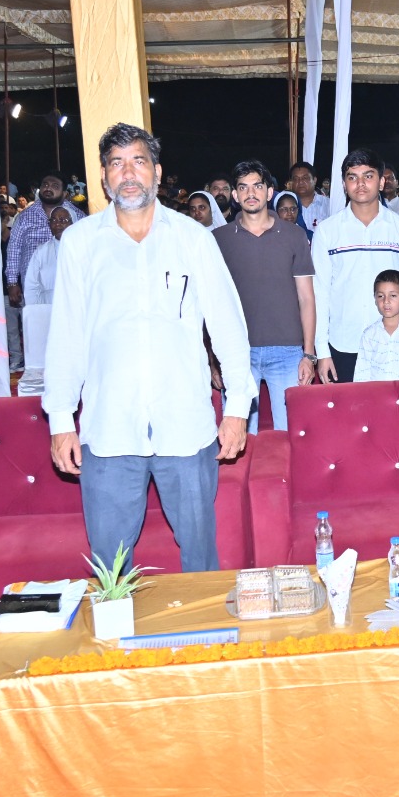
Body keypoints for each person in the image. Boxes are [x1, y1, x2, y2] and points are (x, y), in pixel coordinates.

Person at [44, 124, 252, 572]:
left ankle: (202, 625)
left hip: (186, 427)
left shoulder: (193, 238)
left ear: (156, 172)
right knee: (110, 570)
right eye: (117, 164)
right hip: (110, 430)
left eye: (138, 161)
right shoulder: (80, 243)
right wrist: (60, 420)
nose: (128, 173)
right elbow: (65, 336)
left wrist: (237, 409)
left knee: (200, 561)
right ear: (104, 177)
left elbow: (228, 327)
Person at [214, 159, 317, 432]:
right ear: (235, 195)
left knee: (289, 435)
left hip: (288, 351)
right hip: (236, 352)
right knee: (239, 438)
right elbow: (211, 304)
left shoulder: (294, 235)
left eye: (257, 186)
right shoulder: (218, 239)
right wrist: (213, 358)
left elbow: (306, 298)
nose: (251, 193)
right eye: (243, 187)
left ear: (269, 192)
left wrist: (308, 354)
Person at [312, 149, 399, 383]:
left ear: (381, 182)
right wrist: (322, 351)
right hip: (343, 343)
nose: (360, 184)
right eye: (352, 177)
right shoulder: (327, 232)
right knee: (348, 407)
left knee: (394, 408)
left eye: (368, 176)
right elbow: (320, 293)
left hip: (393, 342)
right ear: (344, 184)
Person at [5, 172, 84, 370]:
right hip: (35, 288)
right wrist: (12, 282)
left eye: (55, 185)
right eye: (45, 184)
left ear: (65, 193)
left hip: (71, 289)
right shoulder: (25, 216)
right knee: (39, 332)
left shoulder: (77, 216)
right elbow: (14, 249)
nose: (48, 188)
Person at [16, 206, 72, 397]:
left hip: (77, 308)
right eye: (54, 220)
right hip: (48, 307)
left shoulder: (83, 249)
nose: (58, 224)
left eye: (63, 220)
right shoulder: (41, 251)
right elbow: (31, 285)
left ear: (72, 223)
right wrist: (37, 312)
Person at [288, 161, 330, 236]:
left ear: (314, 180)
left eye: (305, 178)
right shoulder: (286, 208)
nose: (300, 182)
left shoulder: (328, 205)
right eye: (296, 179)